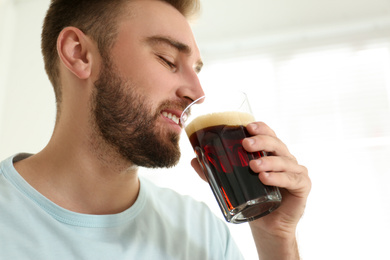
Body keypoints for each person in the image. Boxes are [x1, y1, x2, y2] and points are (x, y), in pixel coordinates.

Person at [0, 0, 311, 259]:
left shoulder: (202, 232)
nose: (197, 93)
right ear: (79, 53)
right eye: (167, 60)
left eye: (196, 70)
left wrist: (278, 240)